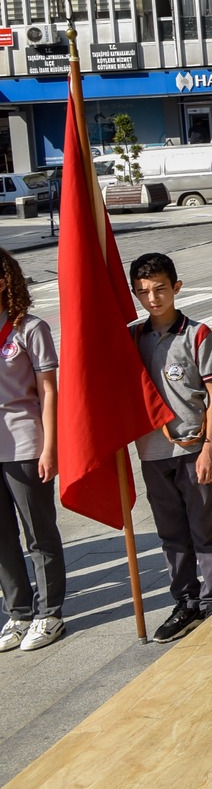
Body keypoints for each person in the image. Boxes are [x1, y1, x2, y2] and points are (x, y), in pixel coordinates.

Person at [129, 252, 212, 642]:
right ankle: (185, 600)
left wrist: (211, 446)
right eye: (143, 292)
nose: (152, 298)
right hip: (152, 453)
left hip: (193, 447)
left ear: (176, 287)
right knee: (171, 533)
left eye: (160, 289)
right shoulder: (133, 338)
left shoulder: (197, 334)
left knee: (204, 527)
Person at [0, 248, 63, 652]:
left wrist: (50, 447)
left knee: (38, 534)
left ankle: (50, 613)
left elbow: (49, 391)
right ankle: (19, 612)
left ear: (5, 280)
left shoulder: (30, 329)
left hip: (24, 442)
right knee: (1, 537)